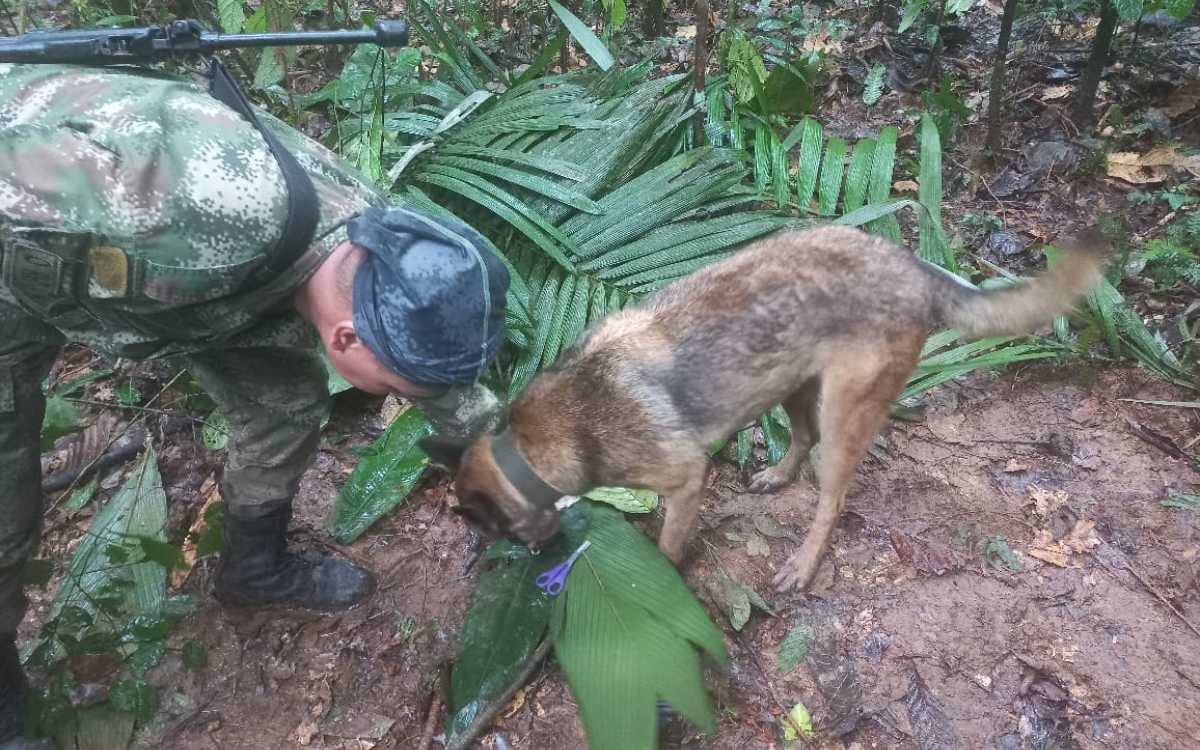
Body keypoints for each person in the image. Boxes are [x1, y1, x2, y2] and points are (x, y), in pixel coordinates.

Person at [0, 62, 509, 749]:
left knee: (285, 401)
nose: (393, 399)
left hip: (199, 297)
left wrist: (521, 472)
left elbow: (438, 383)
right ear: (347, 335)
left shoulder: (380, 253)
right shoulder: (189, 206)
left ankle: (252, 568)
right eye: (390, 389)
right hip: (19, 265)